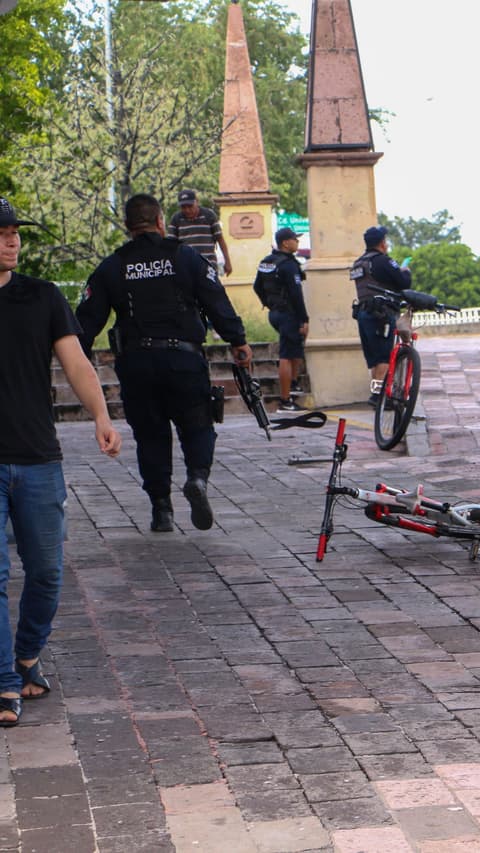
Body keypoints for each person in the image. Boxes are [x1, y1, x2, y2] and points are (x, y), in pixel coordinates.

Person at [0, 198, 122, 727]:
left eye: (14, 232)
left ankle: (27, 653)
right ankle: (6, 680)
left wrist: (101, 414)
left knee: (46, 572)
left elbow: (75, 361)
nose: (12, 240)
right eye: (1, 233)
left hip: (38, 456)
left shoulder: (42, 296)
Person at [77, 193, 252, 533]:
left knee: (151, 436)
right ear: (160, 221)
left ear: (128, 227)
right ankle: (197, 478)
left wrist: (74, 356)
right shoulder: (186, 257)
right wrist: (237, 340)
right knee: (198, 425)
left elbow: (85, 323)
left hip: (137, 364)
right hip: (183, 360)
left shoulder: (113, 266)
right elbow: (216, 301)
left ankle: (161, 509)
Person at [350, 225, 412, 406]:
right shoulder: (383, 261)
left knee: (375, 360)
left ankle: (377, 394)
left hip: (363, 313)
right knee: (384, 357)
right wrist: (405, 271)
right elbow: (403, 283)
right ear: (382, 243)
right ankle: (379, 397)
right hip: (381, 315)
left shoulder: (359, 263)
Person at [253, 227, 308, 411]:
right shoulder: (288, 264)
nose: (297, 242)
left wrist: (269, 304)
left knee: (293, 349)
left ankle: (292, 384)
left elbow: (257, 286)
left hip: (275, 313)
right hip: (288, 314)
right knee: (286, 354)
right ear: (286, 242)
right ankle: (285, 400)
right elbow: (296, 293)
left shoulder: (266, 261)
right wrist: (304, 319)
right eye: (295, 239)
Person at [167, 189, 231, 276]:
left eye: (190, 206)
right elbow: (170, 245)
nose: (187, 210)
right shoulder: (176, 219)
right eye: (183, 207)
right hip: (186, 267)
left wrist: (227, 262)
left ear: (197, 202)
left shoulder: (209, 215)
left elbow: (220, 239)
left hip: (208, 266)